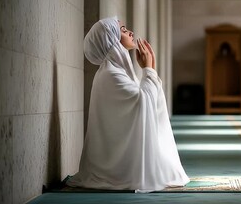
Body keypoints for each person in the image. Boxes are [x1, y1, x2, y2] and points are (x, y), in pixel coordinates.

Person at [66, 16, 189, 193]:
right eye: (123, 30)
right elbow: (143, 103)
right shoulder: (111, 74)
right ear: (111, 39)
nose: (130, 32)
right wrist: (148, 69)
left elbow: (142, 101)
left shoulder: (115, 71)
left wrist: (150, 68)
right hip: (114, 168)